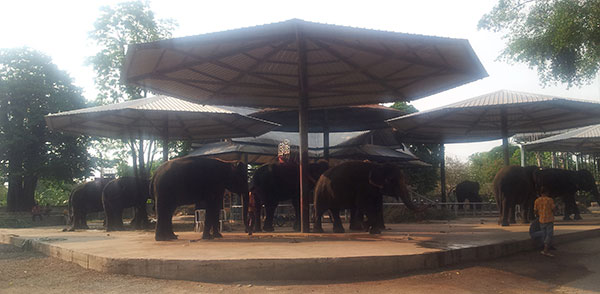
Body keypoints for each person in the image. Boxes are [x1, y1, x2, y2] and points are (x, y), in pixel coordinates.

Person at [533, 189, 556, 257]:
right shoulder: (550, 200)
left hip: (541, 219)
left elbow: (535, 211)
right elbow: (553, 209)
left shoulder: (537, 200)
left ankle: (544, 248)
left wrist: (538, 215)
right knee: (549, 235)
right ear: (547, 192)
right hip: (549, 219)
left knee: (544, 234)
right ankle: (545, 250)